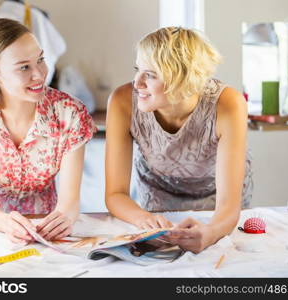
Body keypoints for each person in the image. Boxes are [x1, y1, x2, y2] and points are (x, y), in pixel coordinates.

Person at [0, 18, 96, 244]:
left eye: (41, 60)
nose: (39, 74)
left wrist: (64, 217)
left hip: (41, 213)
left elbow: (70, 201)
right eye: (24, 67)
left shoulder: (69, 113)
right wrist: (5, 223)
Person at [105, 27, 252, 253]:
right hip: (156, 194)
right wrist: (143, 219)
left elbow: (228, 206)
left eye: (151, 74)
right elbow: (115, 194)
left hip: (215, 201)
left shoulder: (228, 103)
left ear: (183, 80)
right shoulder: (122, 101)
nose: (137, 83)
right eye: (138, 70)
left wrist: (211, 232)